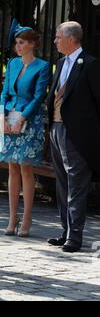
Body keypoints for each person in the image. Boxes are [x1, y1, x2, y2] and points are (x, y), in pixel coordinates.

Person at [47, 21, 100, 253]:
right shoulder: (60, 63)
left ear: (71, 39)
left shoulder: (90, 64)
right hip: (57, 129)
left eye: (58, 37)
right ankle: (65, 230)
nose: (56, 41)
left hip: (77, 134)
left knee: (76, 184)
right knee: (61, 182)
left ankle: (75, 236)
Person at [0, 19, 50, 237]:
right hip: (10, 116)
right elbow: (4, 91)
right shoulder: (12, 64)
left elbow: (39, 96)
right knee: (11, 168)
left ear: (31, 44)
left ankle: (27, 217)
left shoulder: (43, 66)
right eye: (16, 43)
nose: (17, 46)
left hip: (29, 120)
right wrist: (3, 114)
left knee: (26, 168)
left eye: (21, 42)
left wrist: (23, 117)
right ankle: (12, 217)